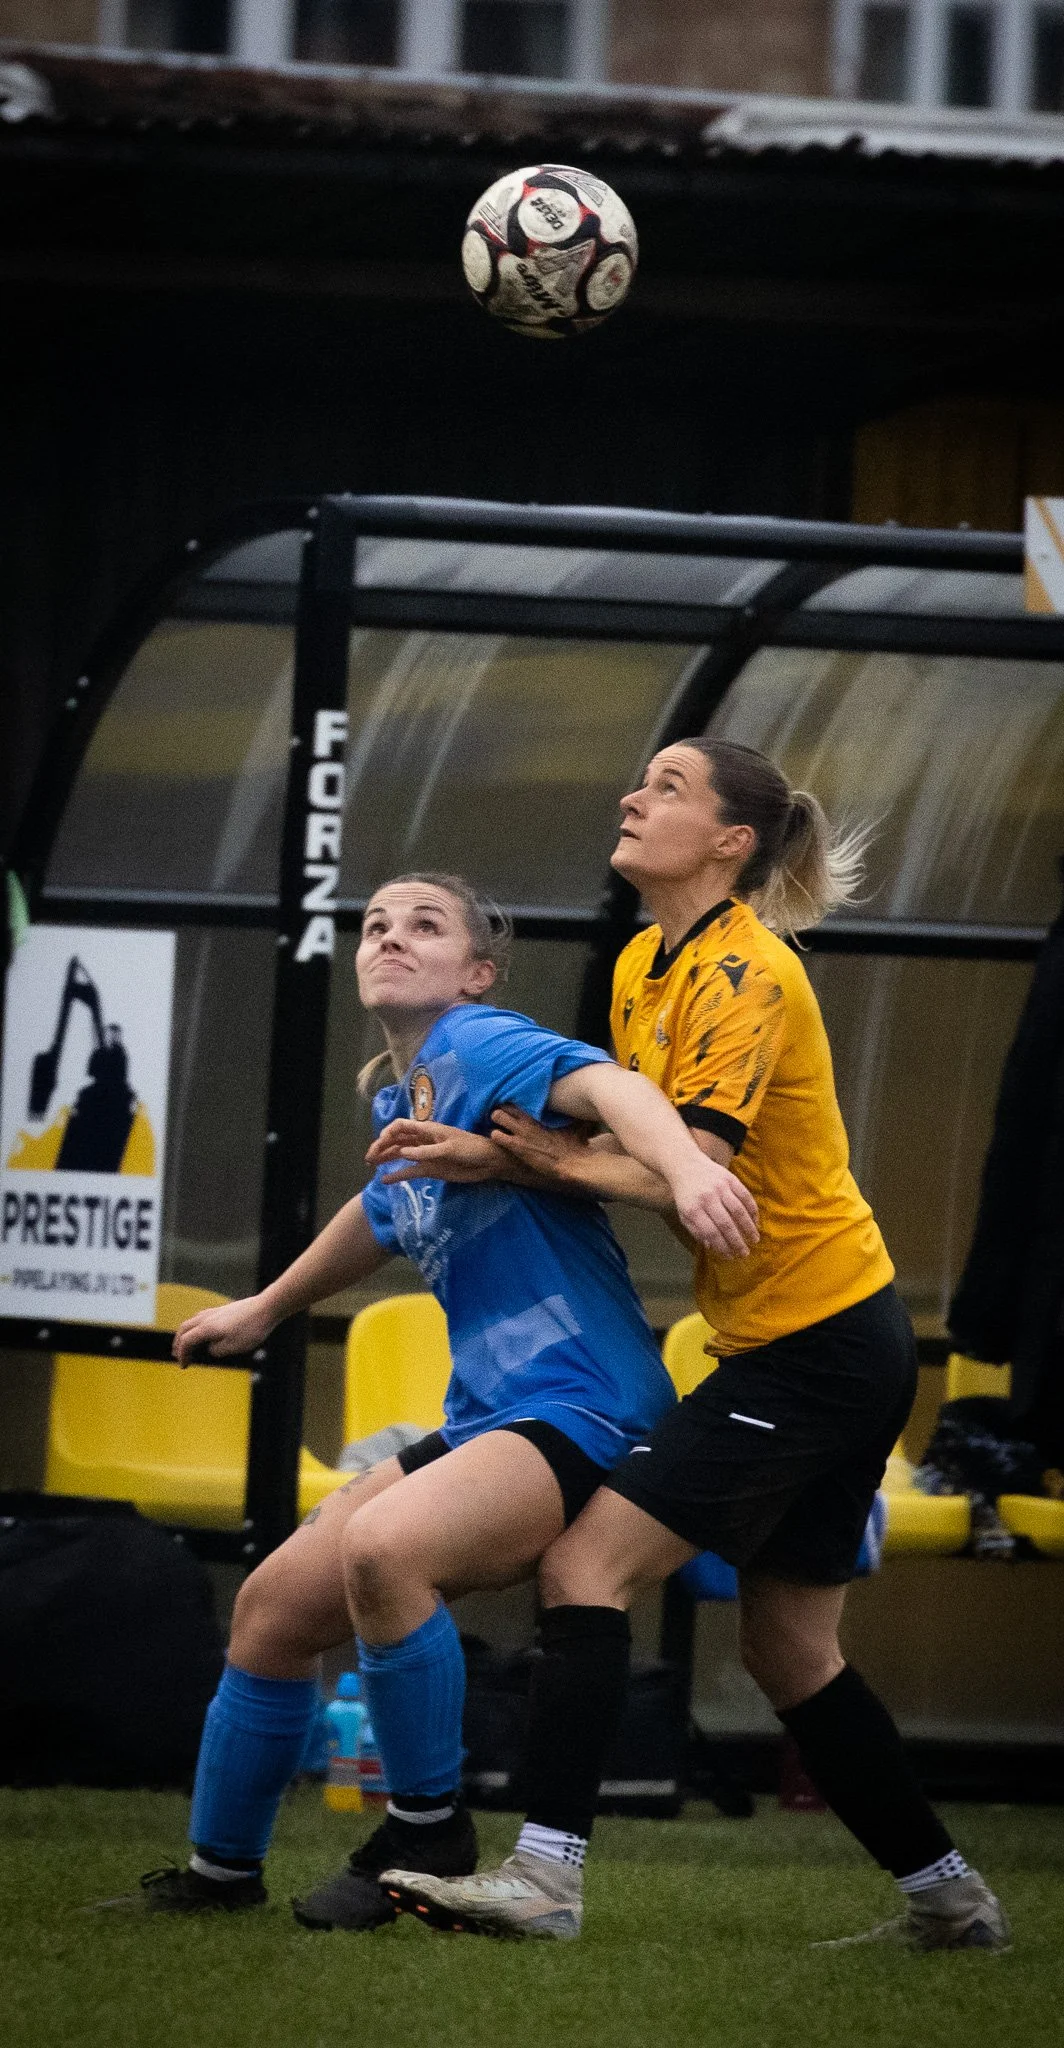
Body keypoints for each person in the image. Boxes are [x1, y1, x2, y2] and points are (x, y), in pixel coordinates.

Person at [377, 743, 1009, 1953]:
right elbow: (643, 1153)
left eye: (667, 786)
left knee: (582, 1566)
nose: (631, 795)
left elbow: (688, 1165)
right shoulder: (637, 961)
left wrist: (525, 1157)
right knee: (788, 1647)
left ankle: (545, 1878)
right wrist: (521, 1154)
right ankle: (949, 1898)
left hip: (817, 1346)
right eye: (641, 779)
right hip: (819, 1340)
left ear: (729, 842)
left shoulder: (747, 970)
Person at [114, 869, 757, 1929]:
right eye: (374, 923)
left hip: (586, 1405)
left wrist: (687, 1171)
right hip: (495, 1415)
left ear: (476, 970)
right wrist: (266, 1306)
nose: (391, 936)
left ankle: (425, 1827)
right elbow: (380, 1209)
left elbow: (610, 1089)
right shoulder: (403, 1091)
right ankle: (218, 1874)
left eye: (424, 924)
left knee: (384, 1548)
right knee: (274, 1607)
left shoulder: (481, 1040)